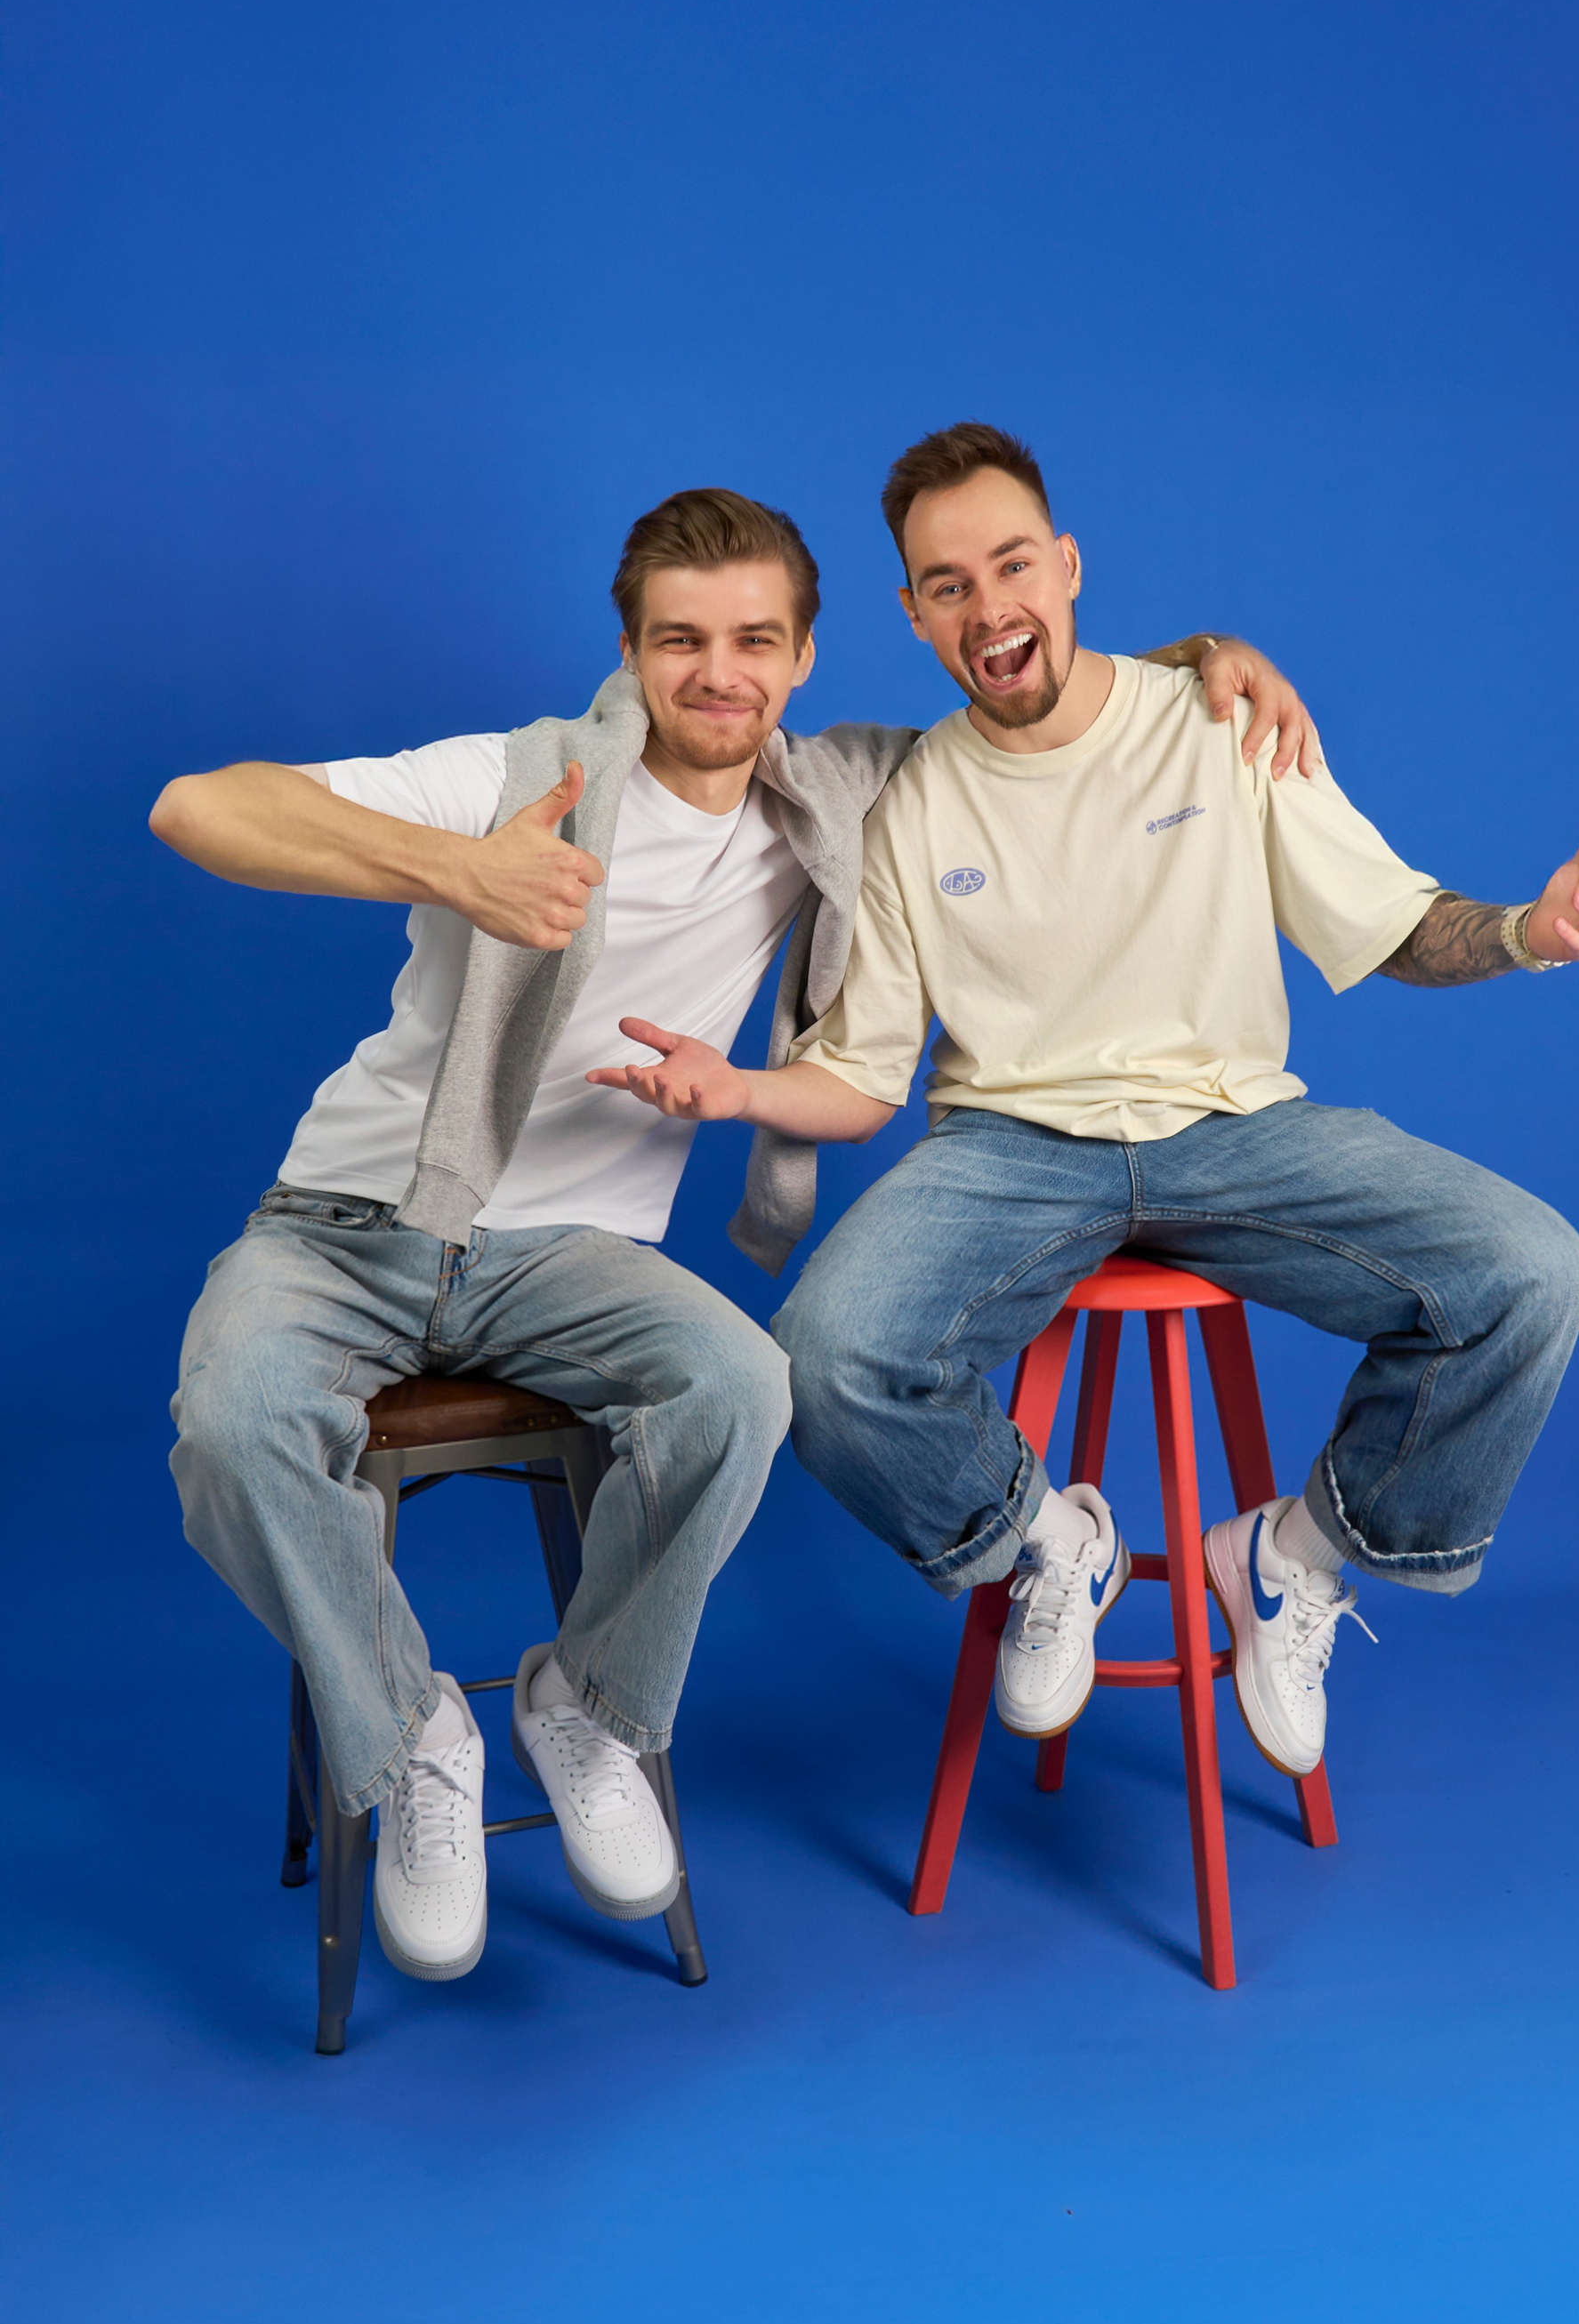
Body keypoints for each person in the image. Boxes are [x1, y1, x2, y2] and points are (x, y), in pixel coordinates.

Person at [151, 479, 1311, 1986]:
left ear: (806, 656)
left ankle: (585, 1708)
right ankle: (413, 1733)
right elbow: (199, 807)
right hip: (347, 1226)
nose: (719, 674)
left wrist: (1209, 656)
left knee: (744, 1385)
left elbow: (1041, 697)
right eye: (680, 641)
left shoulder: (841, 793)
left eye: (756, 641)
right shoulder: (518, 779)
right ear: (630, 652)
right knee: (233, 1420)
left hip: (571, 1260)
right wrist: (462, 869)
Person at [593, 424, 1579, 1789]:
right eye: (949, 585)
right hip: (1010, 1149)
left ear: (1068, 565)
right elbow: (866, 1078)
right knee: (819, 1356)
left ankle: (1291, 1559)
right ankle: (1052, 1544)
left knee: (1534, 1274)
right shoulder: (908, 804)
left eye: (1012, 565)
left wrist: (1528, 930)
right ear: (914, 614)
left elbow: (1395, 922)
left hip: (1236, 1127)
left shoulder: (1220, 723)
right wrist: (738, 1087)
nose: (989, 606)